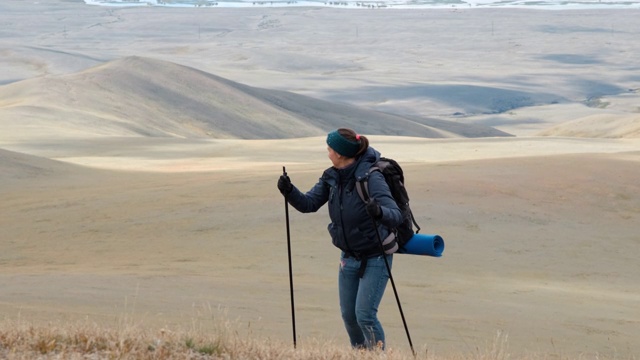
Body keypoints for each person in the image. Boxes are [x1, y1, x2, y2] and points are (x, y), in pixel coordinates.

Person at [277, 128, 402, 350]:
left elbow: (395, 214)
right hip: (348, 257)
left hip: (376, 256)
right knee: (349, 316)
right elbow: (308, 204)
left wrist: (379, 212)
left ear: (342, 153)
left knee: (365, 316)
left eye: (330, 148)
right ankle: (360, 354)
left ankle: (377, 356)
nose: (328, 152)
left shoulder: (371, 178)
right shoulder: (331, 177)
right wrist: (289, 191)